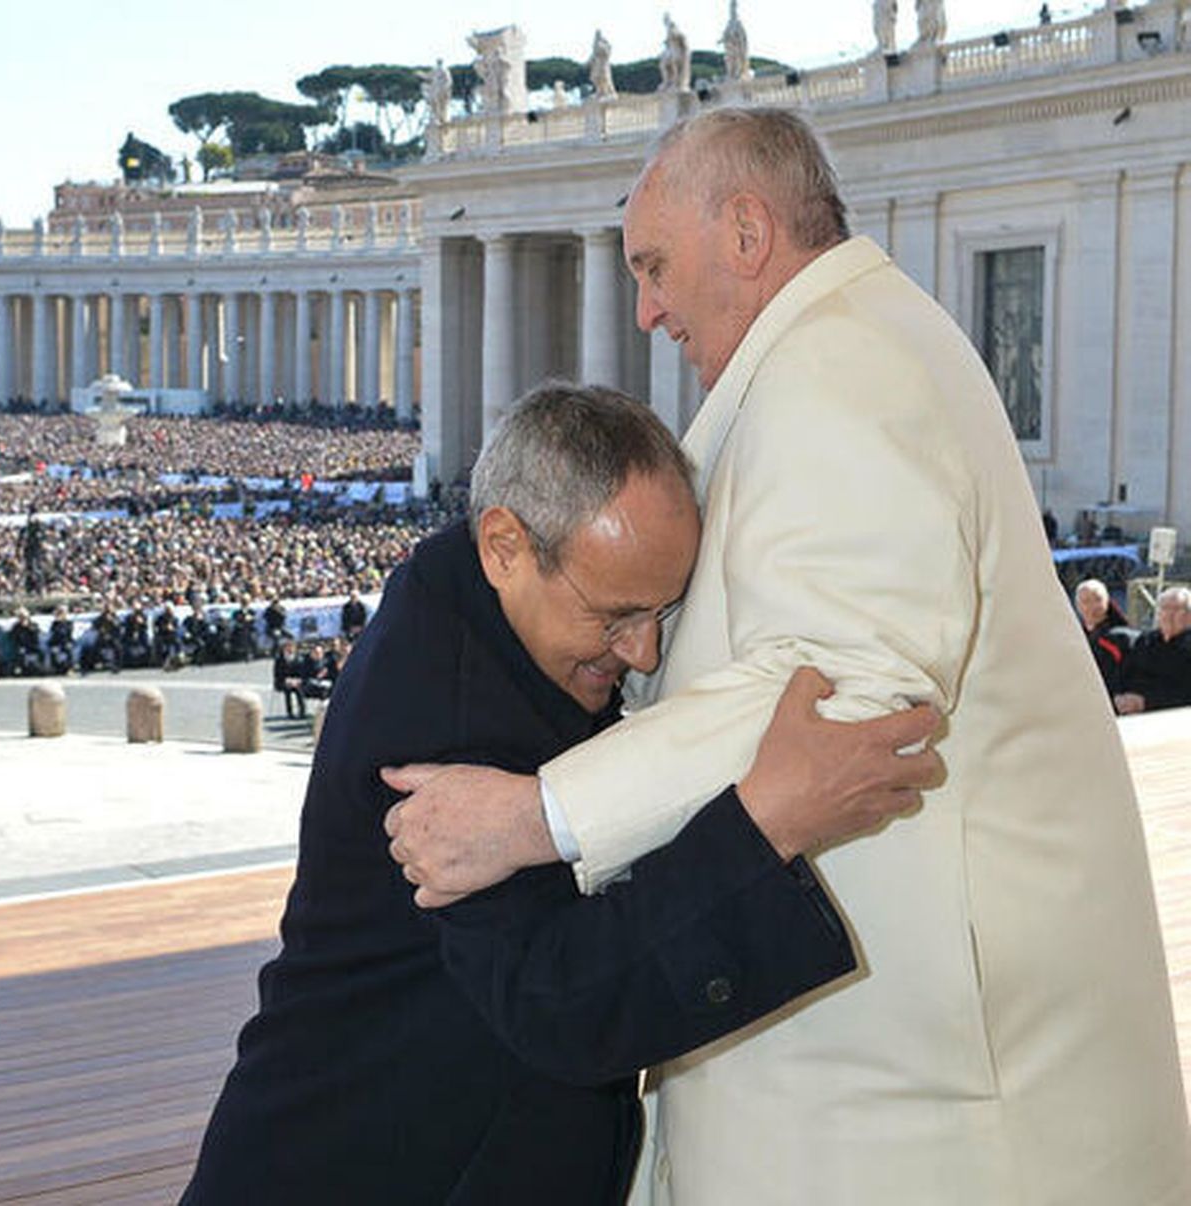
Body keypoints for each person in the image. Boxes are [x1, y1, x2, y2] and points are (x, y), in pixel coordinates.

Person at [383, 108, 1188, 1204]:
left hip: (919, 1099)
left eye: (656, 266)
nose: (646, 308)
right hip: (864, 1061)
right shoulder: (834, 354)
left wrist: (533, 817)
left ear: (748, 233)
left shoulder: (844, 369)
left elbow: (839, 693)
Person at [179, 384, 938, 1206]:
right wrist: (769, 820)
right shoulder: (446, 719)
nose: (643, 653)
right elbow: (562, 1004)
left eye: (663, 614)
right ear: (506, 546)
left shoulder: (475, 598)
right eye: (615, 617)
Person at [1115, 586, 1191, 715]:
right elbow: (1125, 674)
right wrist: (1119, 697)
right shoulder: (1145, 640)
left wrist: (1146, 702)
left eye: (1176, 609)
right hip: (1133, 716)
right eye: (1164, 608)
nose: (1168, 614)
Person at [1074, 577, 1135, 698]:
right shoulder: (1075, 637)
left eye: (1098, 599)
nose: (1092, 606)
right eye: (1086, 601)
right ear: (1078, 606)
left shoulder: (1120, 637)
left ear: (1107, 601)